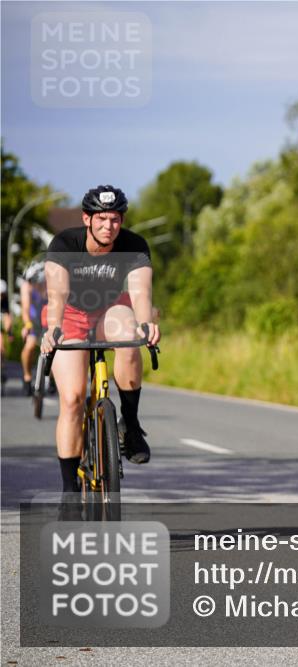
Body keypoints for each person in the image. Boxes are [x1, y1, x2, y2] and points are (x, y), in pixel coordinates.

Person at [40, 185, 161, 501]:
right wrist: (53, 328)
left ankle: (130, 427)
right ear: (87, 219)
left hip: (109, 309)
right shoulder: (66, 243)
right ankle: (69, 491)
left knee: (129, 332)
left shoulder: (134, 245)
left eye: (116, 219)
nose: (109, 226)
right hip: (71, 313)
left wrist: (147, 324)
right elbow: (57, 293)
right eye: (102, 219)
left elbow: (140, 293)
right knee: (73, 398)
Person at [19, 261, 47, 395]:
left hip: (48, 318)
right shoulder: (26, 286)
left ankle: (52, 378)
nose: (31, 284)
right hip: (34, 320)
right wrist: (27, 325)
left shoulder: (48, 283)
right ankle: (27, 377)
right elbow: (25, 308)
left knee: (56, 349)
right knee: (29, 346)